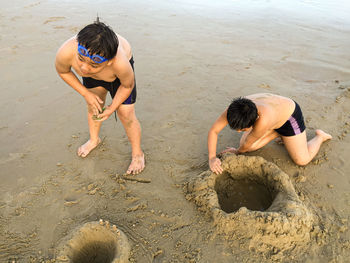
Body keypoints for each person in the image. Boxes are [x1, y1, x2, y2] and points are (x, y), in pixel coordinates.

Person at [55, 18, 144, 174]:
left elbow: (127, 85)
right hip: (95, 78)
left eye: (94, 65)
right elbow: (63, 71)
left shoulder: (120, 63)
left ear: (109, 62)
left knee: (125, 113)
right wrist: (85, 93)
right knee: (94, 105)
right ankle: (94, 140)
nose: (83, 68)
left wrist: (112, 108)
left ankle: (137, 153)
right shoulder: (67, 51)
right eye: (80, 59)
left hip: (120, 81)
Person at [208, 93, 332, 174]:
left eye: (242, 129)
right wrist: (212, 158)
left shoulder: (263, 121)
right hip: (275, 114)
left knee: (302, 160)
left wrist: (237, 151)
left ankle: (320, 136)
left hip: (290, 117)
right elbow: (214, 131)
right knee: (248, 146)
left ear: (254, 121)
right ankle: (278, 133)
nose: (239, 131)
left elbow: (246, 144)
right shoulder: (233, 109)